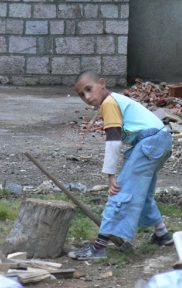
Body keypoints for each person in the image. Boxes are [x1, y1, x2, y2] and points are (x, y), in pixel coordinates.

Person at [68, 71, 173, 260]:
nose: (87, 97)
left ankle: (99, 248)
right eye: (82, 94)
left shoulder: (109, 103)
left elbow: (113, 142)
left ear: (102, 84)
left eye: (89, 89)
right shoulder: (112, 101)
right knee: (141, 191)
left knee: (120, 192)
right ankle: (162, 234)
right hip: (160, 140)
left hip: (149, 143)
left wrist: (110, 175)